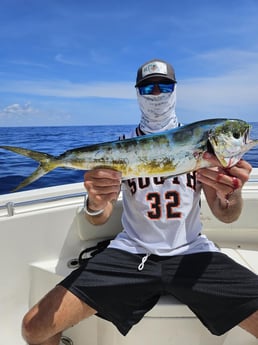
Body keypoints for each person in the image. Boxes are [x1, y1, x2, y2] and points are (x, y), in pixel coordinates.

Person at [22, 59, 258, 345]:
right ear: (138, 93)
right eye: (148, 87)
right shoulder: (120, 147)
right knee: (34, 328)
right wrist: (96, 202)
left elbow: (227, 215)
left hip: (191, 253)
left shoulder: (205, 151)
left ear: (175, 90)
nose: (157, 93)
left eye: (164, 85)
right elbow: (99, 217)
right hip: (132, 253)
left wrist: (232, 194)